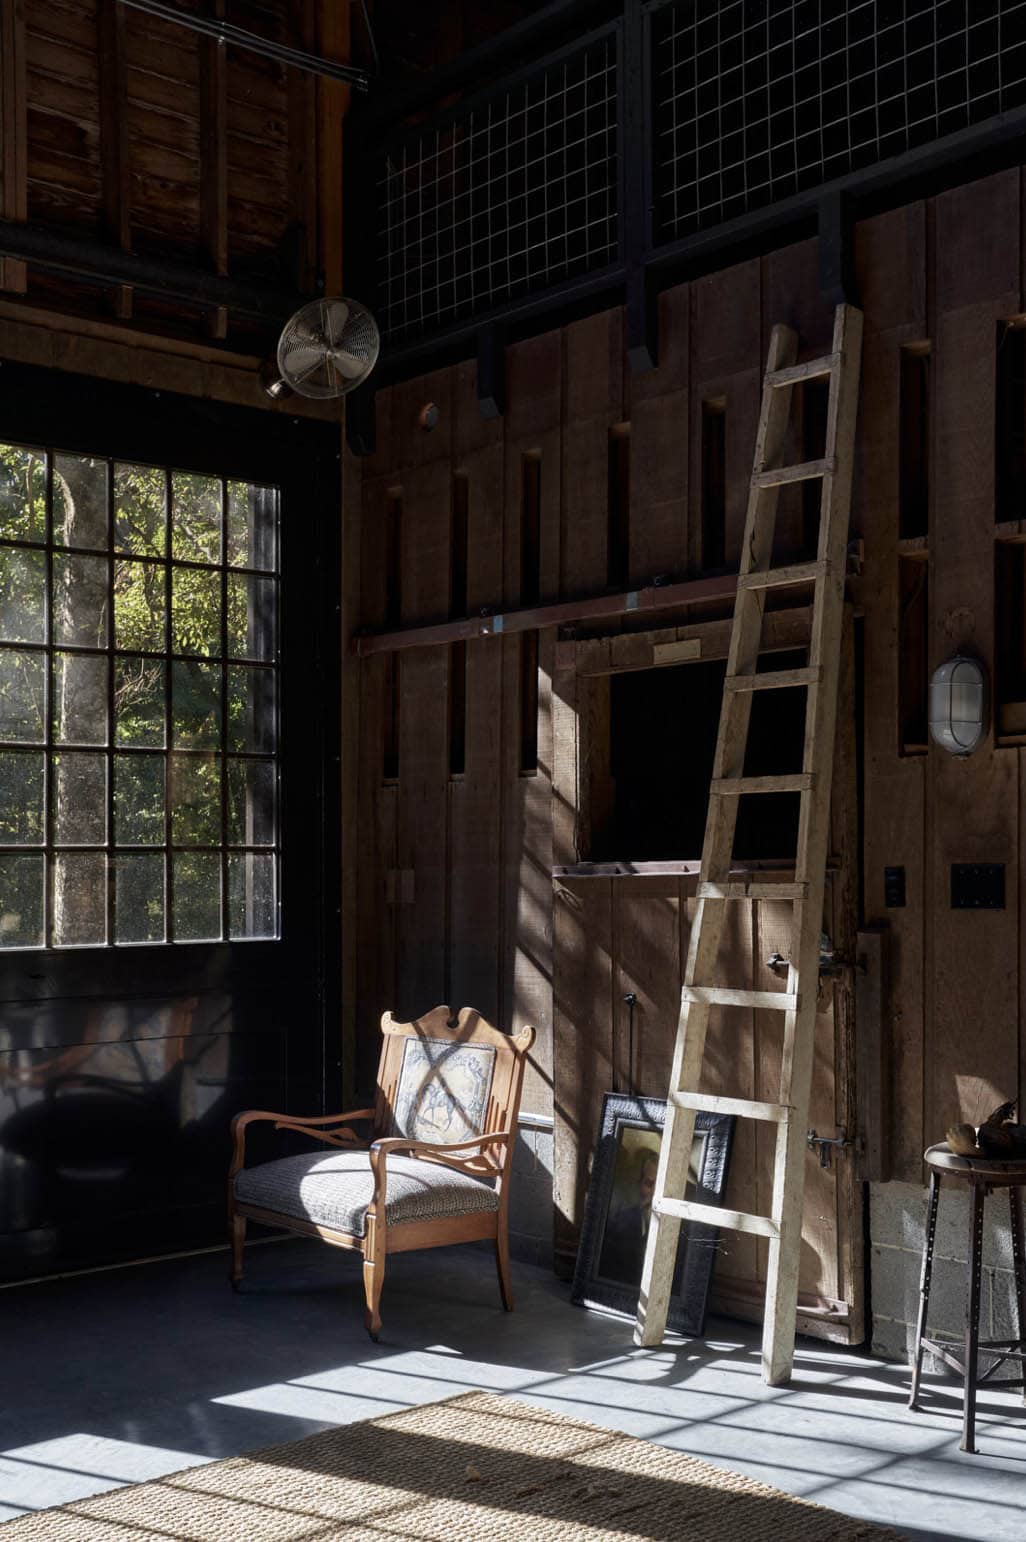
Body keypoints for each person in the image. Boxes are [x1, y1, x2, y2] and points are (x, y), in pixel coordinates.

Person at [598, 1147, 659, 1285]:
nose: (655, 1193)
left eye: (660, 1185)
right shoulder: (621, 1222)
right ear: (639, 1183)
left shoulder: (682, 1233)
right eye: (649, 1184)